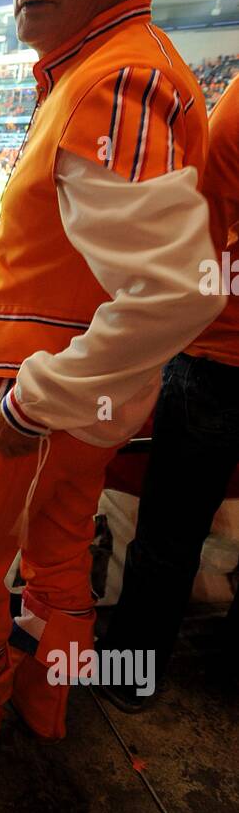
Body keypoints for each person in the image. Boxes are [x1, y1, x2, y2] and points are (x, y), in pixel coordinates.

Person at [0, 0, 239, 741]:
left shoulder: (114, 76)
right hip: (72, 405)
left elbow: (179, 289)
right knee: (56, 567)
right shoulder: (99, 65)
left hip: (32, 404)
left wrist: (34, 399)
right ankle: (42, 710)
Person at [100, 72, 239, 708]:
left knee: (170, 533)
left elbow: (201, 230)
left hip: (218, 353)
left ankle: (131, 677)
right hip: (216, 352)